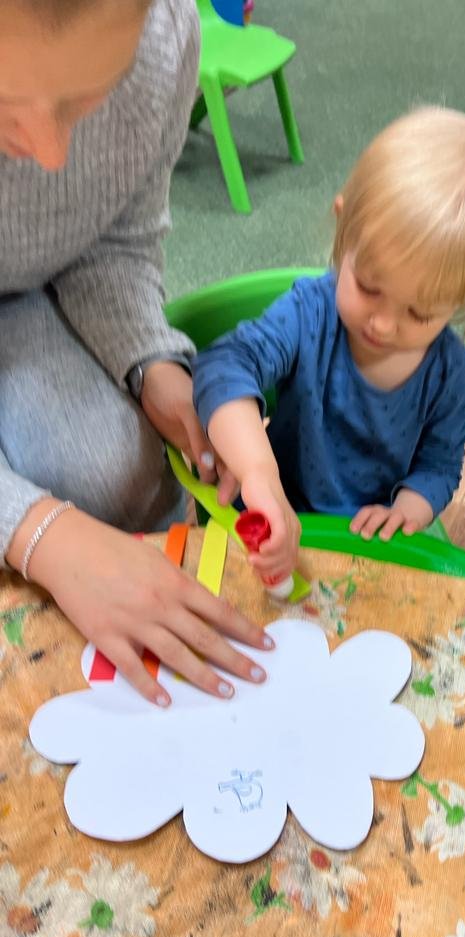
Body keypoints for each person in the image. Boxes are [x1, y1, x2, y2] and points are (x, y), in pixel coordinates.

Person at [0, 0, 273, 708]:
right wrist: (39, 533)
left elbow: (114, 241)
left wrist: (151, 363)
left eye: (88, 97)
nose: (50, 154)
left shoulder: (164, 38)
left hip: (22, 297)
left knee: (121, 476)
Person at [192, 107, 465, 584]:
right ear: (344, 229)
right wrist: (258, 471)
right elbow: (224, 365)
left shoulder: (448, 370)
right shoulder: (310, 312)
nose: (383, 325)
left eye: (420, 314)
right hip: (272, 514)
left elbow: (440, 464)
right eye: (369, 287)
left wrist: (409, 508)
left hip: (364, 540)